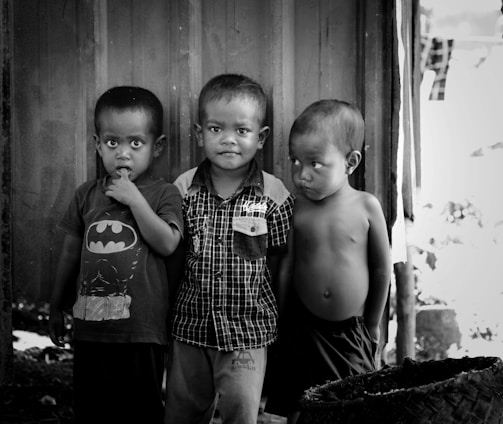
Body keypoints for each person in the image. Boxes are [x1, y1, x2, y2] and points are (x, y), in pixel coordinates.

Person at [48, 86, 183, 424]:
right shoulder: (86, 195)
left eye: (136, 143)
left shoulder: (164, 194)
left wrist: (133, 198)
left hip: (142, 331)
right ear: (98, 144)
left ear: (158, 146)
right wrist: (55, 304)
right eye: (112, 143)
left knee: (141, 412)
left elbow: (167, 243)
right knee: (93, 410)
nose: (123, 154)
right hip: (91, 329)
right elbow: (69, 254)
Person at [164, 73, 294, 424]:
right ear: (198, 133)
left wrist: (277, 321)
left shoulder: (274, 195)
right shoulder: (184, 189)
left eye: (241, 130)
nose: (228, 140)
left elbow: (281, 264)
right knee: (181, 414)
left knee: (241, 413)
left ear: (261, 137)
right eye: (216, 129)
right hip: (189, 326)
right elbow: (174, 257)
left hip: (247, 333)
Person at [267, 99, 392, 423]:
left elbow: (381, 270)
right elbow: (287, 268)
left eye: (315, 164)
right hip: (301, 328)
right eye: (295, 161)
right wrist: (278, 321)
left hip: (349, 333)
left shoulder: (366, 206)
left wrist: (373, 324)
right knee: (298, 404)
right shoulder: (295, 208)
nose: (301, 174)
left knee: (353, 405)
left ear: (350, 162)